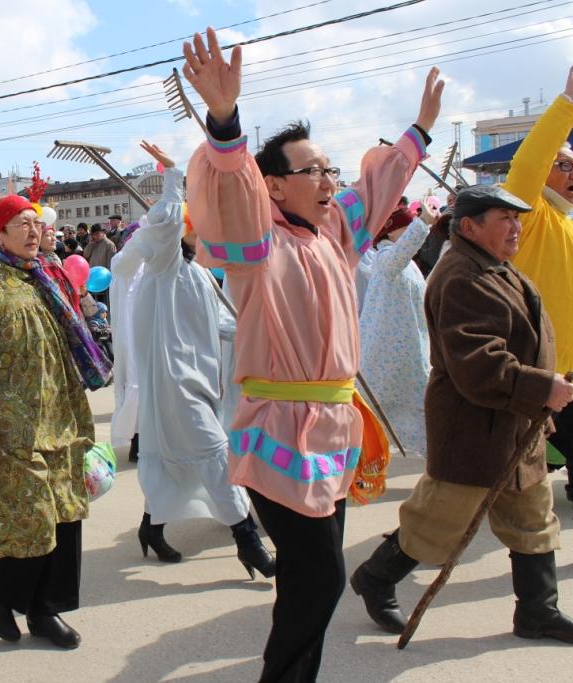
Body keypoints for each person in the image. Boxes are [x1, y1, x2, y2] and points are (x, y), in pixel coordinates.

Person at [181, 28, 444, 681]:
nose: (330, 180)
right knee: (320, 578)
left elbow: (376, 190)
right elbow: (233, 191)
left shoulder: (332, 232)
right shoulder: (258, 242)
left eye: (331, 169)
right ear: (274, 187)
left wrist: (419, 132)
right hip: (279, 432)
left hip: (333, 428)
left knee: (311, 578)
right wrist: (225, 120)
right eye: (313, 170)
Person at [351, 185, 573, 645]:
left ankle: (538, 611)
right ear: (469, 226)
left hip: (516, 427)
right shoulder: (461, 278)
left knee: (533, 519)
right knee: (436, 523)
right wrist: (543, 386)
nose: (516, 227)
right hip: (475, 431)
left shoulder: (492, 265)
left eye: (517, 218)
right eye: (504, 218)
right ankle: (375, 577)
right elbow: (479, 364)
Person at [0, 194, 111, 650]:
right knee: (33, 523)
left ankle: (47, 611)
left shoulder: (47, 277)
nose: (31, 231)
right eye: (18, 224)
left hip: (62, 418)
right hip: (14, 431)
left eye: (34, 222)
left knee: (67, 517)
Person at [113, 141, 274, 575]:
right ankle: (246, 539)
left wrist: (268, 332)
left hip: (201, 381)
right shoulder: (163, 266)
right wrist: (171, 174)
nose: (207, 230)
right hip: (173, 381)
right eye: (199, 223)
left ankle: (151, 526)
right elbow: (164, 221)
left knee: (179, 461)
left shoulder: (200, 273)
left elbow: (226, 325)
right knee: (214, 453)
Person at [502, 67, 573, 503]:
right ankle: (394, 559)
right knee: (488, 486)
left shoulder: (566, 221)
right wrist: (566, 106)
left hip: (566, 376)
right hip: (538, 375)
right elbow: (527, 163)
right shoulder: (530, 215)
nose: (571, 172)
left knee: (521, 484)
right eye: (562, 164)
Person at [359, 200, 439, 455]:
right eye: (405, 227)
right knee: (378, 412)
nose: (409, 233)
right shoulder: (385, 258)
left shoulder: (406, 262)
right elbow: (399, 255)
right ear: (391, 230)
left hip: (409, 352)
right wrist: (422, 223)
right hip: (388, 355)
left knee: (417, 410)